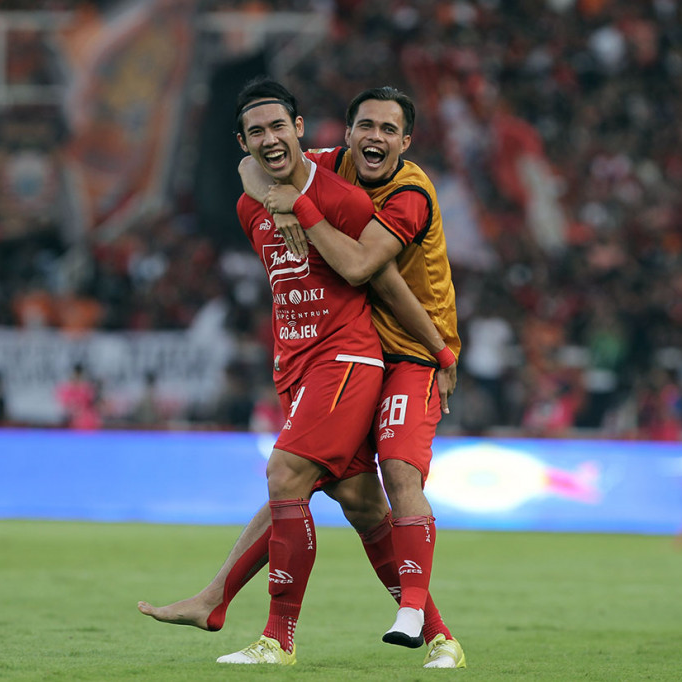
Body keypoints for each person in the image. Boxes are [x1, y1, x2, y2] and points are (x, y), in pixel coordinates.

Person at [139, 82, 464, 669]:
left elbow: (375, 275)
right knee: (359, 501)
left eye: (279, 128)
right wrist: (265, 190)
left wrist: (440, 351)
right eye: (256, 133)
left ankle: (275, 638)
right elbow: (250, 168)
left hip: (354, 356)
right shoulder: (255, 199)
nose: (269, 140)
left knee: (289, 472)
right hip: (297, 364)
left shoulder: (346, 194)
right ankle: (439, 636)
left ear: (301, 128)